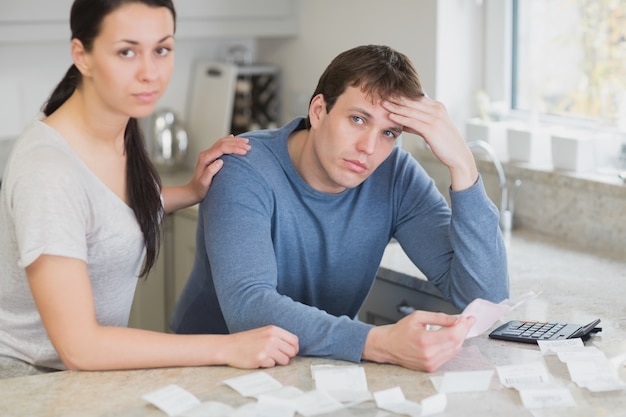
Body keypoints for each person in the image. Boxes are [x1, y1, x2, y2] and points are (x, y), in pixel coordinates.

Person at [0, 0, 298, 379]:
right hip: (25, 380)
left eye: (162, 49)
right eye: (127, 51)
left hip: (78, 375)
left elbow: (105, 211)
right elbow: (80, 347)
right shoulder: (48, 173)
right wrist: (225, 346)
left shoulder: (115, 122)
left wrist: (190, 190)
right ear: (82, 55)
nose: (150, 72)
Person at [171, 44, 509, 372]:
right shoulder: (243, 168)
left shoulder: (397, 177)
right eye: (358, 120)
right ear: (319, 111)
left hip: (322, 366)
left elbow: (486, 298)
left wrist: (464, 166)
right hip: (214, 370)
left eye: (389, 132)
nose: (368, 148)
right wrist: (378, 342)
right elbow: (249, 307)